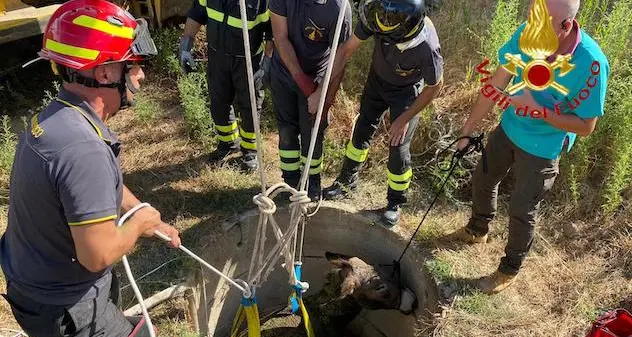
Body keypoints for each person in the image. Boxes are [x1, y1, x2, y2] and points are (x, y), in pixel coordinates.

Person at [0, 1, 182, 336]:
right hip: (67, 307)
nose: (141, 76)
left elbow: (85, 188)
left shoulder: (58, 117)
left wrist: (140, 209)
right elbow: (96, 256)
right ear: (104, 73)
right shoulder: (84, 150)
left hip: (36, 289)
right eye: (134, 65)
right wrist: (140, 222)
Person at [453, 0, 609, 294]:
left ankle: (508, 269)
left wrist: (539, 111)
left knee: (522, 209)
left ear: (566, 26)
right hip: (509, 128)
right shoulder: (526, 34)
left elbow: (586, 127)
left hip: (543, 146)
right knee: (484, 178)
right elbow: (496, 84)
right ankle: (477, 229)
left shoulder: (592, 63)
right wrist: (467, 131)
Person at [317, 0, 444, 226]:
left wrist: (405, 118)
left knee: (398, 146)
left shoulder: (427, 47)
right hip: (377, 81)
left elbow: (435, 86)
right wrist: (322, 89)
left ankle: (395, 202)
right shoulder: (381, 14)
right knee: (362, 130)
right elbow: (346, 50)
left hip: (406, 93)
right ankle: (346, 182)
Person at [268, 0, 353, 201]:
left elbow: (340, 58)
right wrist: (299, 78)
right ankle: (290, 181)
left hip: (319, 77)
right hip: (284, 73)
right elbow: (280, 38)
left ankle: (312, 180)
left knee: (312, 132)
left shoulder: (339, 9)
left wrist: (325, 98)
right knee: (287, 130)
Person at [181, 0, 274, 172]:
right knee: (219, 103)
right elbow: (196, 15)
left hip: (248, 60)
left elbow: (272, 32)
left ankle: (250, 151)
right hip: (218, 57)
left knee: (250, 106)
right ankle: (228, 144)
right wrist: (186, 47)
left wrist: (267, 64)